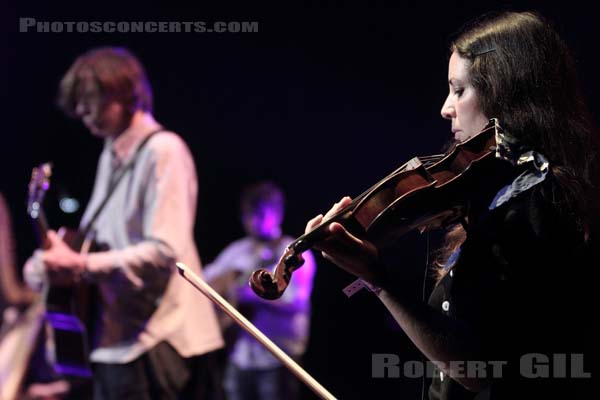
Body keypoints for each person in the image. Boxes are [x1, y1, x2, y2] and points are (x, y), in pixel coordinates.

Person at [305, 11, 597, 399]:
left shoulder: (536, 205)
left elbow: (479, 370)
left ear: (505, 93)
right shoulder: (498, 195)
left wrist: (379, 277)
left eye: (459, 90)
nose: (446, 107)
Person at [24, 47, 224, 400]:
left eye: (90, 100)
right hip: (118, 339)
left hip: (160, 341)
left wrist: (82, 264)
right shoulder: (111, 152)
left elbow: (165, 252)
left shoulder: (163, 150)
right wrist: (47, 264)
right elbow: (93, 238)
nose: (82, 111)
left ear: (124, 92)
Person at [203, 181, 316, 400]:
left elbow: (295, 302)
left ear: (278, 213)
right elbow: (205, 279)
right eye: (249, 214)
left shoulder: (294, 253)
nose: (254, 221)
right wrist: (228, 282)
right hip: (240, 354)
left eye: (261, 213)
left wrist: (250, 296)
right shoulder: (237, 250)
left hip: (279, 356)